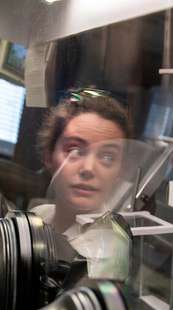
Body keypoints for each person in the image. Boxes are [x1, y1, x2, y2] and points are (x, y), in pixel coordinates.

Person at [32, 89, 133, 280]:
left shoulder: (108, 251)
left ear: (120, 172)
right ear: (48, 156)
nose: (88, 168)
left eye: (107, 156)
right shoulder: (39, 214)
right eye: (75, 150)